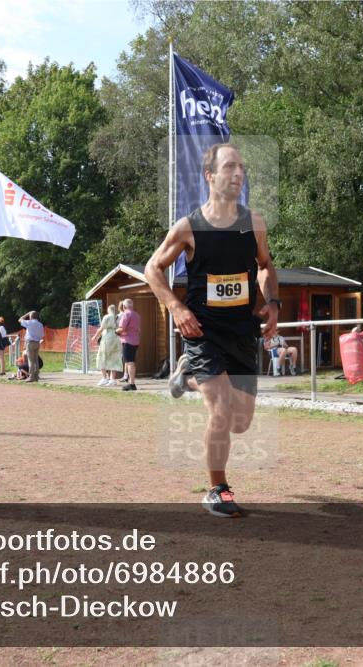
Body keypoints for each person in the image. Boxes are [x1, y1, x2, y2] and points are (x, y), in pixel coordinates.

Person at [144, 143, 280, 518]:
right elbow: (153, 269)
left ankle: (186, 377)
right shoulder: (189, 227)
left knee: (240, 422)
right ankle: (217, 489)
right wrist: (176, 306)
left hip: (242, 331)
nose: (238, 174)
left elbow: (266, 267)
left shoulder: (255, 224)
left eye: (242, 167)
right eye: (230, 167)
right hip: (202, 330)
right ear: (210, 176)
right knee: (220, 409)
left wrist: (272, 303)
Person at [92, 303, 122, 386]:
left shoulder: (107, 317)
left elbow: (101, 328)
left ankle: (104, 378)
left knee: (101, 357)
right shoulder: (118, 317)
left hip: (107, 338)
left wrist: (95, 336)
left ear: (108, 310)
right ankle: (113, 379)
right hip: (115, 338)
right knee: (114, 358)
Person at [116, 299, 141, 391]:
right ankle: (131, 382)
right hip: (135, 341)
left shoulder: (126, 314)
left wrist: (116, 331)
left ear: (124, 306)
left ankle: (132, 384)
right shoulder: (137, 315)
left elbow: (122, 328)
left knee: (129, 363)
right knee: (131, 362)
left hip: (127, 341)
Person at [18, 311, 44, 382]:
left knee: (30, 360)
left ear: (30, 316)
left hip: (30, 343)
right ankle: (36, 376)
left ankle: (31, 377)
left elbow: (19, 320)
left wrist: (26, 314)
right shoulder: (40, 324)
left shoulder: (29, 322)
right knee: (36, 360)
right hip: (37, 342)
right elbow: (42, 335)